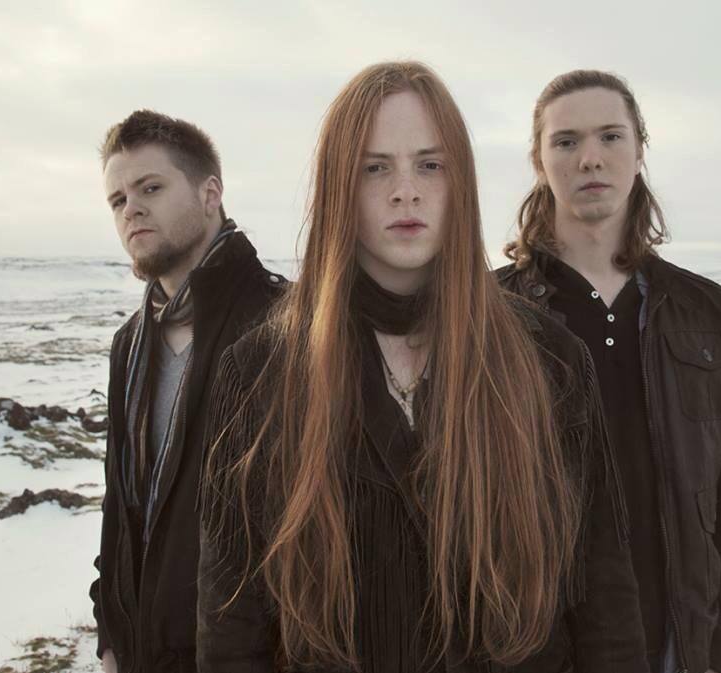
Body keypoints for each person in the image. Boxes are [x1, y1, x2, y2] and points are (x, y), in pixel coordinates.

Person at [196, 61, 648, 673]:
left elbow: (603, 595)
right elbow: (231, 627)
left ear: (460, 182)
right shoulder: (259, 371)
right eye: (375, 167)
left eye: (430, 165)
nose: (405, 190)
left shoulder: (549, 357)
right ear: (337, 188)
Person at [497, 70, 721, 673]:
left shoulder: (707, 311)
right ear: (539, 161)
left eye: (610, 136)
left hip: (678, 641)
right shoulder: (491, 313)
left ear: (640, 149)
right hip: (536, 648)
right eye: (566, 141)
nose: (590, 157)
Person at [89, 109, 287, 673]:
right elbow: (121, 506)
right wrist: (111, 635)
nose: (131, 209)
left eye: (150, 187)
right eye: (118, 199)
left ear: (210, 193)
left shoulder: (285, 323)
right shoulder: (130, 343)